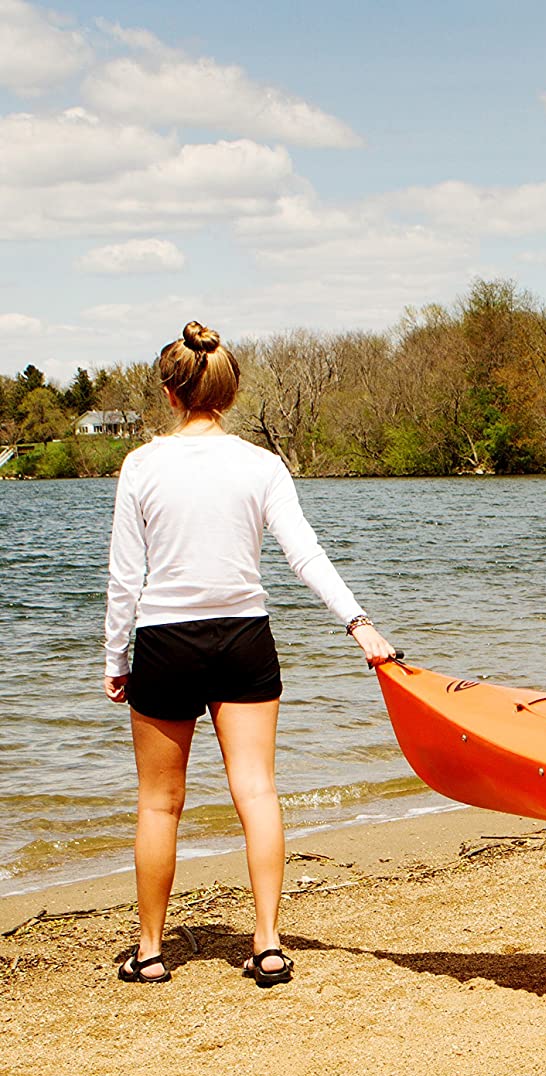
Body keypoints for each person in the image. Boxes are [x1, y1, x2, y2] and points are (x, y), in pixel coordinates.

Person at [103, 320, 395, 988]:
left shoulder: (142, 465)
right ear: (228, 394)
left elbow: (124, 578)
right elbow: (305, 555)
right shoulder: (261, 465)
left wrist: (115, 660)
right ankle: (267, 945)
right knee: (258, 791)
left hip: (166, 642)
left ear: (171, 394)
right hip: (243, 639)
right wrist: (358, 623)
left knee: (158, 804)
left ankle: (150, 953)